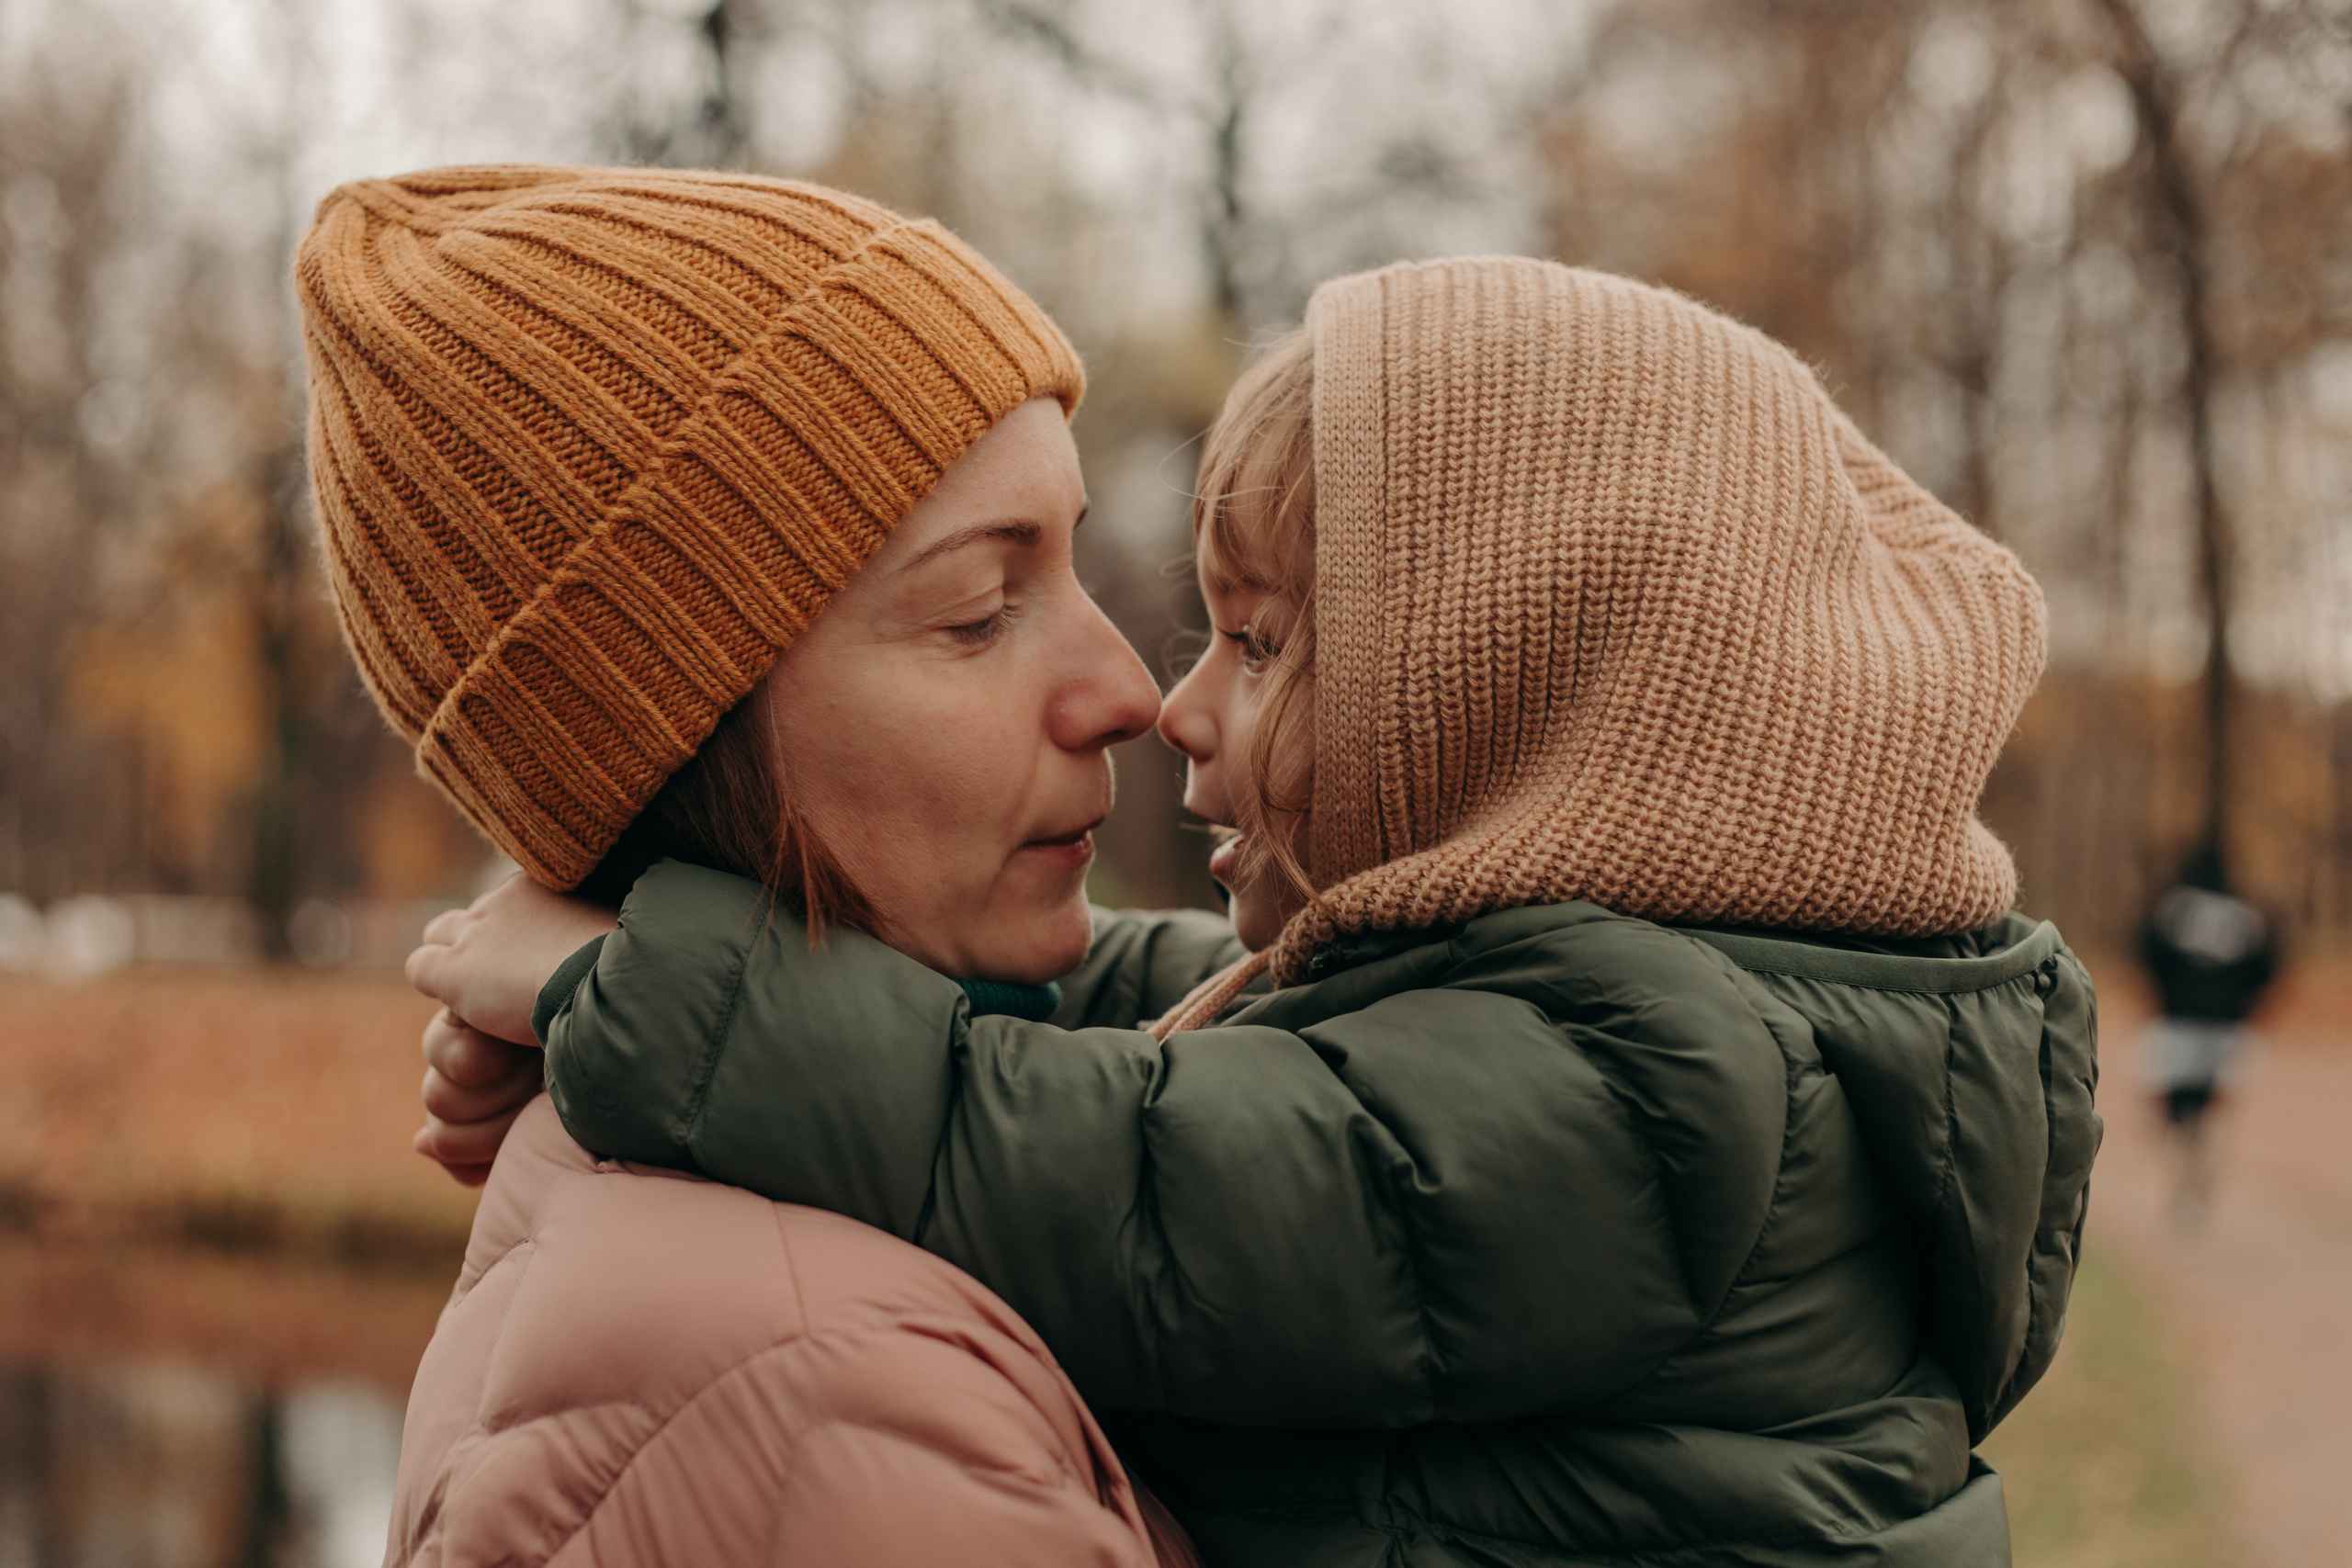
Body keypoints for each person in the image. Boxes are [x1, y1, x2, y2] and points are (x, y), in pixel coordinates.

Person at [413, 257, 2102, 1566]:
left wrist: (632, 990)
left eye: (1269, 644)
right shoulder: (1625, 1018)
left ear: (1515, 698)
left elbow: (1129, 1168)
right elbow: (1194, 1001)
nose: (1174, 704)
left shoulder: (1652, 1089)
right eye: (984, 609)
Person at [296, 164, 1195, 1566]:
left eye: (1074, 562)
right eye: (978, 609)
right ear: (672, 745)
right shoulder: (842, 1401)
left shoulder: (801, 1215)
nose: (1131, 688)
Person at [2139, 847, 2276, 1217]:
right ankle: (2200, 1158)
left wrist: (2164, 997)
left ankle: (2186, 1164)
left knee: (2175, 1111)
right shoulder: (2244, 913)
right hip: (2225, 1029)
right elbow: (2266, 966)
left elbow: (2147, 952)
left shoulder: (2173, 908)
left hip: (2178, 1024)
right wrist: (2243, 1006)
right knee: (2210, 1108)